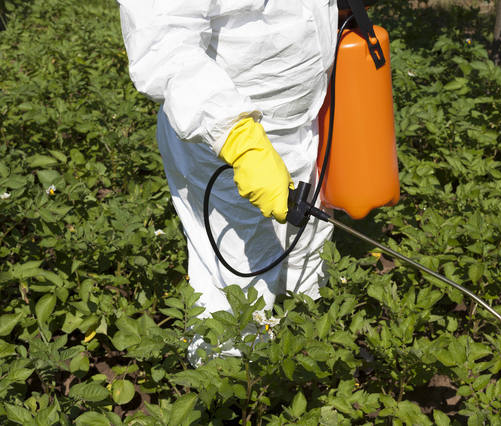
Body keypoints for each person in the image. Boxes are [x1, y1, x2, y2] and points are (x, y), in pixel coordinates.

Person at [116, 1, 337, 365]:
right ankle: (230, 389)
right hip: (222, 140)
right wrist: (238, 139)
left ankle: (298, 366)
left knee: (307, 250)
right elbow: (162, 40)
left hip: (305, 120)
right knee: (239, 281)